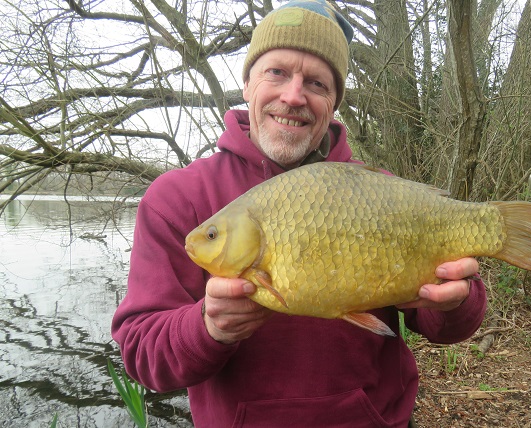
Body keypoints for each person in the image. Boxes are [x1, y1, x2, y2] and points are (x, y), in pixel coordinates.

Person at [112, 1, 487, 426]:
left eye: (316, 82)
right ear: (248, 83)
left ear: (333, 101)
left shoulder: (379, 190)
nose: (293, 96)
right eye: (276, 72)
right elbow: (142, 355)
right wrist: (207, 328)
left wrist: (456, 302)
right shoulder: (177, 198)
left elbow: (448, 327)